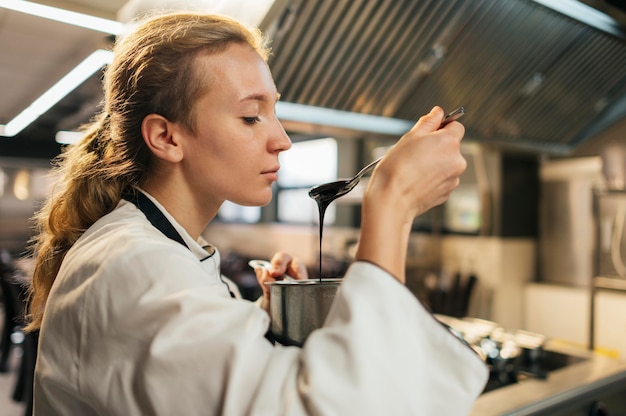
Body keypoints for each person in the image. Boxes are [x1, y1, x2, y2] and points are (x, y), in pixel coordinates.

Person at [25, 11, 487, 415]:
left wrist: (262, 323)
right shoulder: (130, 264)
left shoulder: (165, 250)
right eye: (251, 117)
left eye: (274, 112)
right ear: (166, 137)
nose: (282, 139)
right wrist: (393, 204)